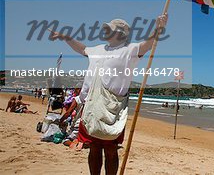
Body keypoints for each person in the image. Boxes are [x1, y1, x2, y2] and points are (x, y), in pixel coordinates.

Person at [50, 15, 167, 175]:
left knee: (111, 149)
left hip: (112, 108)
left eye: (110, 29)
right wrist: (66, 37)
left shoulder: (129, 50)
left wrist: (158, 29)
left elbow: (147, 45)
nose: (105, 31)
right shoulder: (97, 49)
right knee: (94, 147)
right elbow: (82, 48)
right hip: (91, 106)